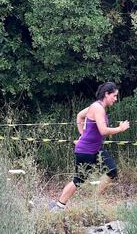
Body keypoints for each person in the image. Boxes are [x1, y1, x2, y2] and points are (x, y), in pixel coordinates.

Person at [50, 82, 130, 211]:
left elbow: (80, 116)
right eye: (114, 96)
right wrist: (120, 129)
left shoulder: (96, 107)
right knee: (78, 180)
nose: (115, 99)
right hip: (85, 150)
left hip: (96, 149)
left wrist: (83, 133)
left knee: (112, 171)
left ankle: (93, 200)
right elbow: (103, 130)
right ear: (106, 94)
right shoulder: (97, 108)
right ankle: (59, 206)